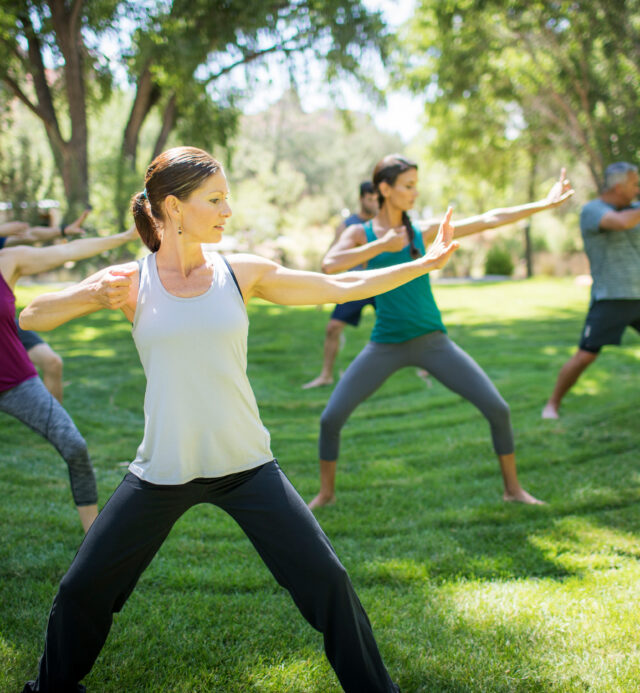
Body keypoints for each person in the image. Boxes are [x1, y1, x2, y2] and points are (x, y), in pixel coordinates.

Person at [20, 146, 458, 693]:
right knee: (83, 589)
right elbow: (30, 315)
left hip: (247, 465)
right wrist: (88, 292)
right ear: (175, 208)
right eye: (216, 199)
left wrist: (422, 263)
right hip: (163, 470)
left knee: (329, 583)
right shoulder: (133, 282)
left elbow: (339, 286)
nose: (228, 210)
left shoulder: (239, 272)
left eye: (227, 198)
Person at [309, 154, 574, 510]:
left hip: (433, 342)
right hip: (385, 344)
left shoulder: (422, 231)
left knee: (498, 409)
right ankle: (326, 494)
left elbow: (488, 219)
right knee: (330, 419)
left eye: (416, 185)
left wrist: (544, 203)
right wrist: (381, 246)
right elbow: (330, 264)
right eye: (408, 186)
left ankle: (513, 489)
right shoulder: (361, 232)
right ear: (384, 189)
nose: (415, 192)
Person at [0, 224, 137, 533]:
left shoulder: (7, 261)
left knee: (74, 446)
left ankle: (93, 537)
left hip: (14, 381)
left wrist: (124, 237)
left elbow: (67, 251)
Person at [542, 161, 640, 419]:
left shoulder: (636, 209)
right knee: (585, 357)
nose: (638, 189)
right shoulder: (592, 211)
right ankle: (552, 404)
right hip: (611, 297)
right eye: (634, 184)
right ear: (618, 186)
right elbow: (619, 223)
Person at [1, 209, 91, 401]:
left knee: (52, 362)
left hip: (5, 324)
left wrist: (63, 230)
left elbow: (31, 234)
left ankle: (54, 428)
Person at [302, 181, 379, 388]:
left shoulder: (383, 223)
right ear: (361, 199)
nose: (374, 203)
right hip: (355, 285)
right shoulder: (348, 225)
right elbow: (332, 257)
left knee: (403, 323)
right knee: (333, 328)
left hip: (381, 284)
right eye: (370, 199)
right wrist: (321, 287)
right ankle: (326, 375)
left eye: (376, 199)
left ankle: (423, 367)